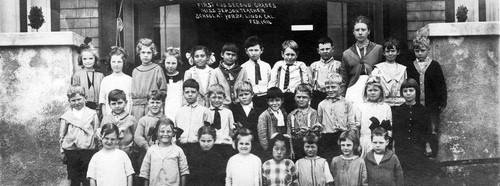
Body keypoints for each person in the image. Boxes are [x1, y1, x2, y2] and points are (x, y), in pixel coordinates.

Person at [406, 36, 447, 159]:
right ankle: (418, 159)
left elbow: (441, 85)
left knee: (432, 130)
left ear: (428, 49)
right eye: (417, 51)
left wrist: (441, 102)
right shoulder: (410, 67)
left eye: (422, 50)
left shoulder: (434, 66)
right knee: (416, 130)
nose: (419, 53)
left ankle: (432, 158)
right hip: (416, 106)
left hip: (431, 107)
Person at [392, 78, 435, 176]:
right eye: (405, 91)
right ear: (402, 93)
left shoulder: (423, 110)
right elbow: (395, 130)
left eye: (411, 90)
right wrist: (394, 147)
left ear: (416, 91)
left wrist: (428, 146)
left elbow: (427, 130)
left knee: (417, 174)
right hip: (402, 148)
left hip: (418, 147)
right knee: (403, 174)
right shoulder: (398, 110)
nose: (408, 93)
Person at [59, 85, 100, 186]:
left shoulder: (92, 114)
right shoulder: (66, 117)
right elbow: (62, 136)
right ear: (69, 101)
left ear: (85, 98)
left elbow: (96, 131)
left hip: (88, 150)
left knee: (87, 178)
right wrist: (62, 151)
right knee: (74, 179)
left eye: (79, 99)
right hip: (72, 151)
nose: (77, 102)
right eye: (73, 100)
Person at [341, 15, 383, 107]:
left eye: (363, 30)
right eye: (357, 30)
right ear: (353, 32)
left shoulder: (378, 49)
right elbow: (344, 80)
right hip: (353, 90)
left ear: (369, 31)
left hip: (373, 90)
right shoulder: (347, 54)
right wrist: (341, 97)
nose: (360, 33)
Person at [317, 73, 356, 161]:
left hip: (342, 136)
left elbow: (351, 122)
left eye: (333, 87)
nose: (330, 90)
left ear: (341, 87)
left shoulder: (347, 103)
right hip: (326, 138)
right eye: (327, 87)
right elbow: (319, 122)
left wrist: (352, 138)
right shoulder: (322, 104)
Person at [139, 119, 189, 186]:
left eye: (168, 131)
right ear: (157, 132)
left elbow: (184, 171)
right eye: (162, 131)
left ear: (173, 133)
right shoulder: (151, 151)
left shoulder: (178, 150)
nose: (165, 134)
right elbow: (145, 173)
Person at [133, 90, 172, 170]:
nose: (155, 105)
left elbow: (170, 135)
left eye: (158, 102)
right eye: (152, 102)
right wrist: (146, 147)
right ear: (147, 104)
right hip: (147, 151)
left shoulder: (166, 120)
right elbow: (138, 136)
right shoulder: (143, 120)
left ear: (162, 104)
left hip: (163, 151)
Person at [131, 38, 168, 120]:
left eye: (149, 52)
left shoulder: (157, 69)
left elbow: (163, 90)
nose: (146, 55)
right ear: (139, 53)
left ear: (153, 53)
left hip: (153, 107)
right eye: (143, 52)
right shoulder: (135, 71)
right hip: (137, 108)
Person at [268, 40, 309, 113]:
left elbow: (305, 83)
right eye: (287, 54)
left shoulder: (301, 65)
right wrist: (272, 94)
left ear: (297, 54)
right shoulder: (278, 65)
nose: (290, 57)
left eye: (292, 55)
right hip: (281, 95)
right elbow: (272, 81)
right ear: (282, 54)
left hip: (295, 96)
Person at [357, 76, 392, 158]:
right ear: (366, 92)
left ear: (381, 92)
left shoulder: (385, 107)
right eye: (370, 90)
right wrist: (358, 143)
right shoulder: (361, 107)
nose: (372, 93)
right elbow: (357, 127)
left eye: (375, 90)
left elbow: (389, 127)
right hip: (365, 141)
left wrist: (388, 142)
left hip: (381, 142)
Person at [100, 89, 137, 163]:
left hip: (127, 154)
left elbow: (135, 137)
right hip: (109, 155)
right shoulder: (106, 119)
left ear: (126, 103)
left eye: (120, 103)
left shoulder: (131, 119)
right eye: (113, 104)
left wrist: (132, 150)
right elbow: (100, 138)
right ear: (109, 104)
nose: (117, 106)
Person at [229, 81, 265, 157]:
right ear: (237, 96)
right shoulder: (234, 109)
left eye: (246, 94)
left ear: (252, 94)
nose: (244, 97)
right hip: (240, 143)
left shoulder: (258, 110)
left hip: (255, 142)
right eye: (241, 95)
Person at [257, 87, 293, 159]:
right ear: (267, 101)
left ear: (282, 100)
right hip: (271, 150)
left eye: (277, 100)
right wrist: (268, 150)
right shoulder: (264, 116)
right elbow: (262, 136)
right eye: (271, 101)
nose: (274, 103)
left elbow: (288, 132)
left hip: (283, 149)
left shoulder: (284, 113)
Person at [209, 43, 249, 107]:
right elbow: (212, 90)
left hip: (239, 105)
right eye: (228, 54)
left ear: (236, 57)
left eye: (233, 55)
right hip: (222, 105)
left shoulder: (242, 71)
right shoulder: (216, 72)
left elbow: (246, 88)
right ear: (222, 54)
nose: (230, 57)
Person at [176, 79, 209, 156]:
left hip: (197, 147)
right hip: (182, 147)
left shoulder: (204, 111)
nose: (190, 94)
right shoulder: (179, 112)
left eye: (193, 92)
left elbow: (207, 130)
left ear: (197, 93)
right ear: (183, 93)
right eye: (187, 92)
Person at [371, 37, 407, 107]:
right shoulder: (378, 69)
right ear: (383, 53)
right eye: (387, 51)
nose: (390, 53)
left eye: (393, 51)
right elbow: (373, 86)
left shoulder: (403, 69)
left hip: (400, 104)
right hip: (383, 104)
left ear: (398, 52)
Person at [204, 84, 236, 159]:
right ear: (209, 98)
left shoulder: (228, 112)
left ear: (224, 98)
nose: (217, 100)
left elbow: (232, 129)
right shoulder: (206, 112)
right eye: (214, 97)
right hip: (212, 145)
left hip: (226, 145)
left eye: (220, 97)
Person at [287, 83, 318, 160]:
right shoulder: (291, 115)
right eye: (298, 97)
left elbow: (314, 132)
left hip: (309, 145)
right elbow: (289, 135)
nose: (301, 100)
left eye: (304, 97)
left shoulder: (313, 113)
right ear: (294, 97)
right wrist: (291, 150)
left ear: (309, 99)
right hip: (295, 146)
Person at [72, 39, 104, 112]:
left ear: (95, 59)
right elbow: (74, 95)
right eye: (85, 59)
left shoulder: (100, 76)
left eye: (91, 58)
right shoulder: (77, 75)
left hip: (98, 110)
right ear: (81, 60)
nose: (88, 61)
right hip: (82, 110)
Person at [310, 36, 342, 109]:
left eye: (327, 49)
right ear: (318, 51)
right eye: (322, 49)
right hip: (317, 96)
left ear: (332, 49)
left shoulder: (338, 65)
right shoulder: (314, 65)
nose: (325, 51)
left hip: (333, 95)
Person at [99, 46, 132, 116]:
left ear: (124, 62)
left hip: (126, 118)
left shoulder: (129, 80)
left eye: (119, 62)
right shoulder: (105, 80)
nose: (116, 65)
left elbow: (131, 101)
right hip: (110, 118)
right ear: (110, 63)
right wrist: (106, 118)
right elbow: (102, 102)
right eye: (113, 62)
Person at [241, 36, 272, 109]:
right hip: (251, 98)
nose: (253, 53)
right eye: (251, 50)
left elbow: (271, 81)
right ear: (246, 51)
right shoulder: (243, 67)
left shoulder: (266, 66)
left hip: (265, 97)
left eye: (256, 50)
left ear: (261, 50)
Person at [162, 47, 184, 120]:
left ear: (178, 63)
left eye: (173, 63)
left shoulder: (182, 77)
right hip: (166, 107)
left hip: (178, 105)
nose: (170, 66)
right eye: (168, 63)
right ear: (164, 62)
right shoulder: (162, 76)